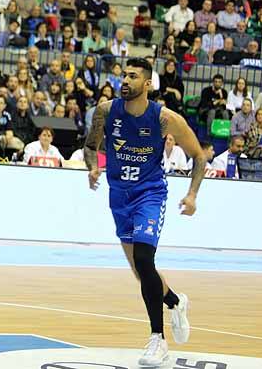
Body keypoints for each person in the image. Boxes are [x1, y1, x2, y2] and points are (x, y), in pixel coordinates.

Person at [83, 58, 203, 367]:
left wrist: (191, 195)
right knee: (140, 272)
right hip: (118, 196)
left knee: (143, 260)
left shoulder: (164, 119)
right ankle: (175, 302)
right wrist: (93, 166)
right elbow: (90, 146)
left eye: (132, 76)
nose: (124, 80)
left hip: (149, 193)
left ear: (147, 84)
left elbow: (198, 156)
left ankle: (157, 340)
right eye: (123, 74)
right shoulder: (107, 111)